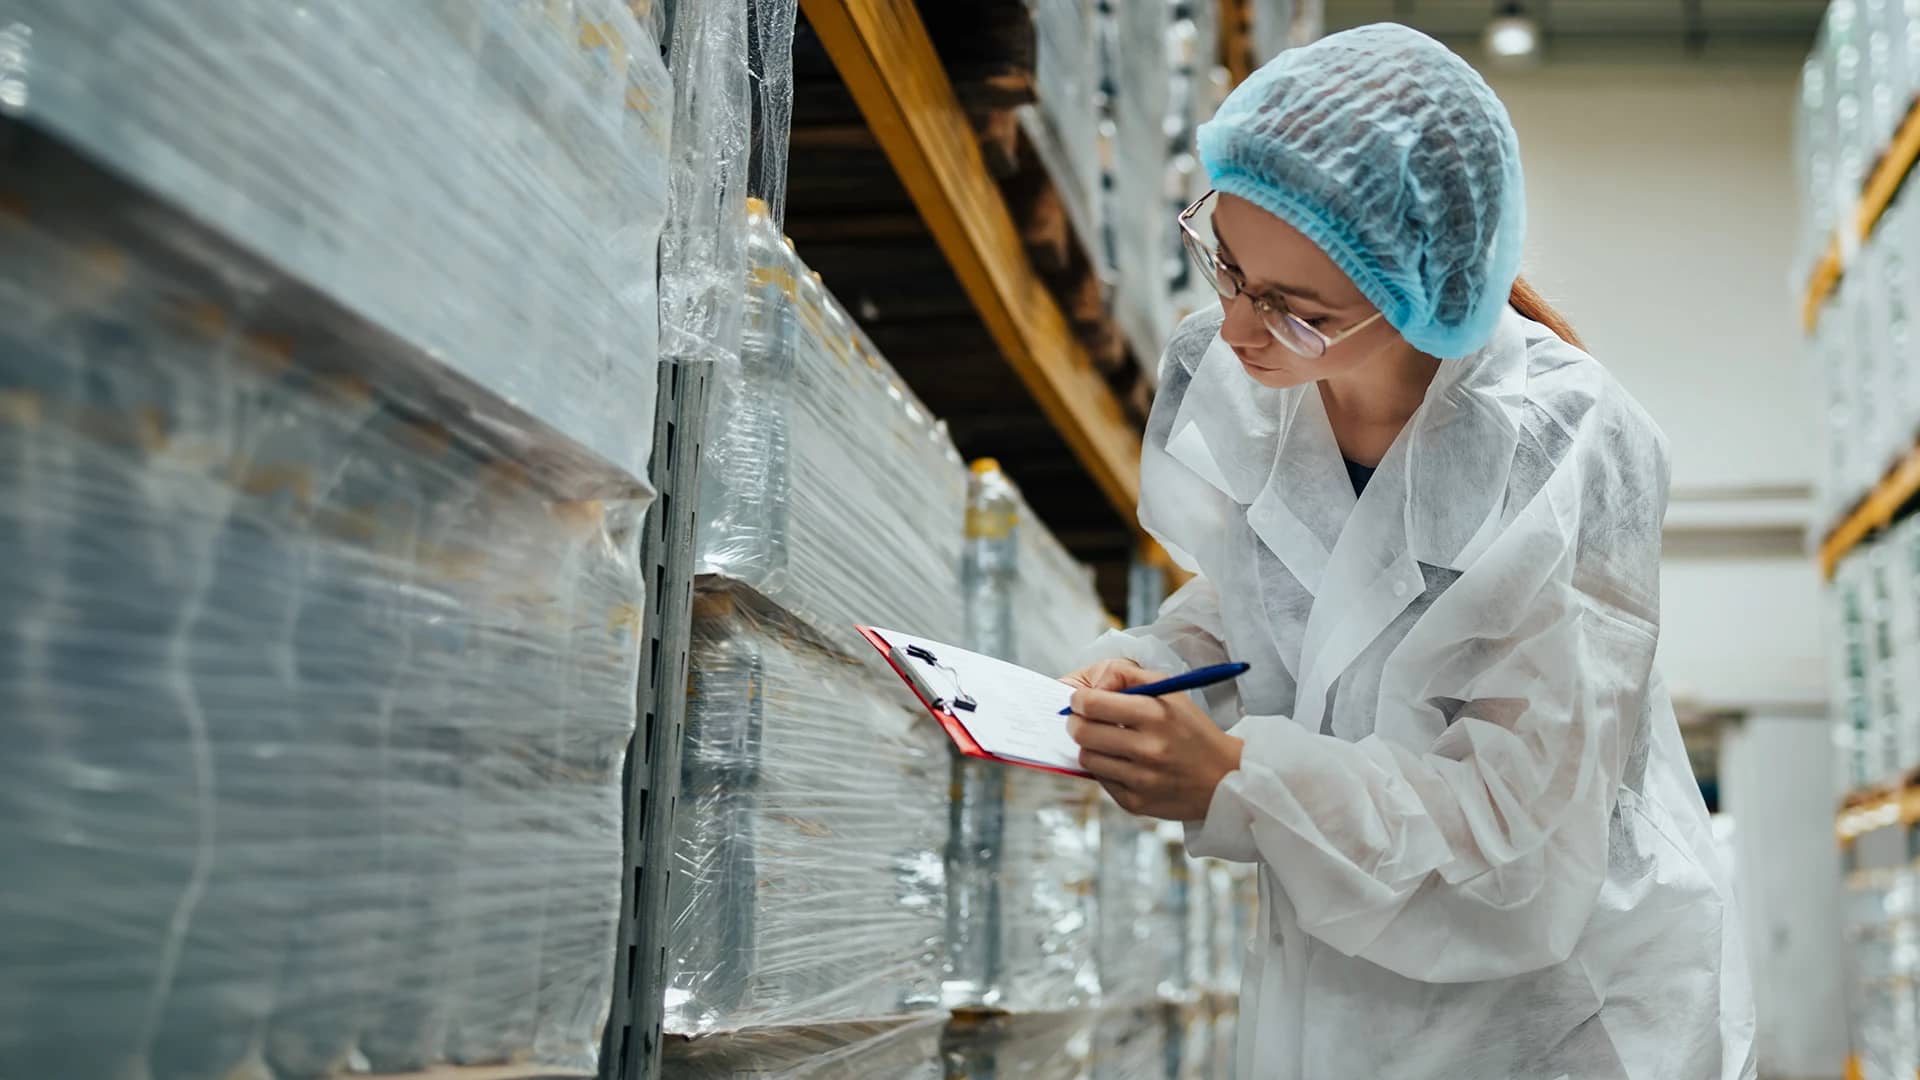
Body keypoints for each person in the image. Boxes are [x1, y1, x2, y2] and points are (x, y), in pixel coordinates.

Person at [1062, 24, 1756, 1079]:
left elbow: (1517, 839)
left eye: (1294, 311)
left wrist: (1239, 779)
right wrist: (1157, 672)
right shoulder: (1257, 386)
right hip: (1337, 984)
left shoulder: (1566, 451)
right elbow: (1276, 599)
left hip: (1552, 1014)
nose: (1241, 331)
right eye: (1229, 268)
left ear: (1421, 296)